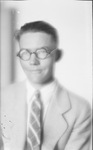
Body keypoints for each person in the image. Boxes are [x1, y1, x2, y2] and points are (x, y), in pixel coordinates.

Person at [0, 21, 91, 150]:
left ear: (57, 55)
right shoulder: (3, 98)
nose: (33, 61)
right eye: (25, 53)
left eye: (42, 52)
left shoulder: (79, 109)